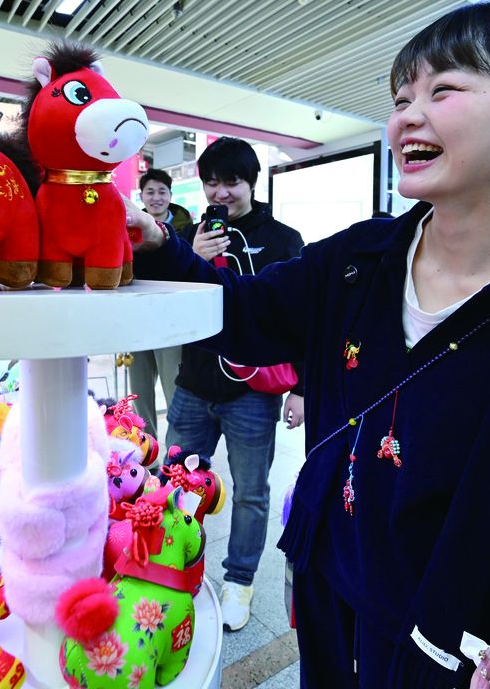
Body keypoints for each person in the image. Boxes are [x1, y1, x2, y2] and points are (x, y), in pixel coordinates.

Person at [126, 0, 490, 688]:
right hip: (333, 595)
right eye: (400, 97)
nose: (405, 117)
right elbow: (245, 314)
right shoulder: (356, 261)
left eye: (444, 89)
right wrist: (158, 247)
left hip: (460, 640)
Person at [153, 137, 305, 632]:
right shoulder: (191, 236)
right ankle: (172, 565)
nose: (220, 193)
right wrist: (190, 259)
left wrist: (301, 387)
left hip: (251, 394)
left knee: (250, 493)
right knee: (173, 482)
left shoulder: (284, 239)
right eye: (211, 183)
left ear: (252, 182)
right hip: (194, 383)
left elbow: (298, 317)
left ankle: (239, 581)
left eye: (230, 182)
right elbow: (174, 311)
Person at [127, 169, 193, 436]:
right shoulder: (129, 227)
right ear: (141, 196)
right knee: (139, 391)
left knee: (174, 389)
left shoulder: (187, 229)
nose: (156, 198)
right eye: (150, 192)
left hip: (171, 320)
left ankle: (176, 455)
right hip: (136, 318)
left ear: (170, 196)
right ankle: (147, 452)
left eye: (161, 191)